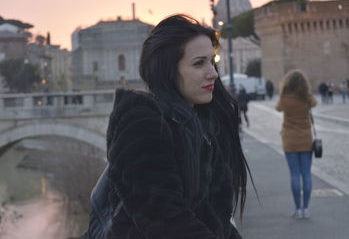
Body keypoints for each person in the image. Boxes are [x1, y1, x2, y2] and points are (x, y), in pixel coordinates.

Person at [105, 14, 248, 239]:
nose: (213, 73)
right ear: (168, 70)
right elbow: (163, 218)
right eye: (199, 63)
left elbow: (215, 219)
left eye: (212, 61)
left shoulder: (201, 125)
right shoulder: (142, 122)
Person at [275, 69, 317, 220]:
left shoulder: (285, 98)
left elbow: (278, 108)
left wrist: (283, 92)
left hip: (290, 139)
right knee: (306, 174)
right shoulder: (307, 98)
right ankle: (306, 209)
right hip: (305, 138)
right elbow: (315, 103)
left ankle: (298, 209)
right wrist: (307, 93)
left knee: (294, 173)